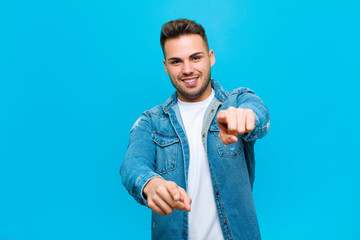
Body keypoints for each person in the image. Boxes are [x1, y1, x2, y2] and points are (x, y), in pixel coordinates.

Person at [120, 19, 270, 240]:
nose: (188, 69)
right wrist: (150, 184)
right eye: (176, 61)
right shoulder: (151, 121)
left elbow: (259, 115)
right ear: (165, 66)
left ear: (211, 57)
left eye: (195, 57)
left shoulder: (237, 101)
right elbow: (132, 165)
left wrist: (245, 118)